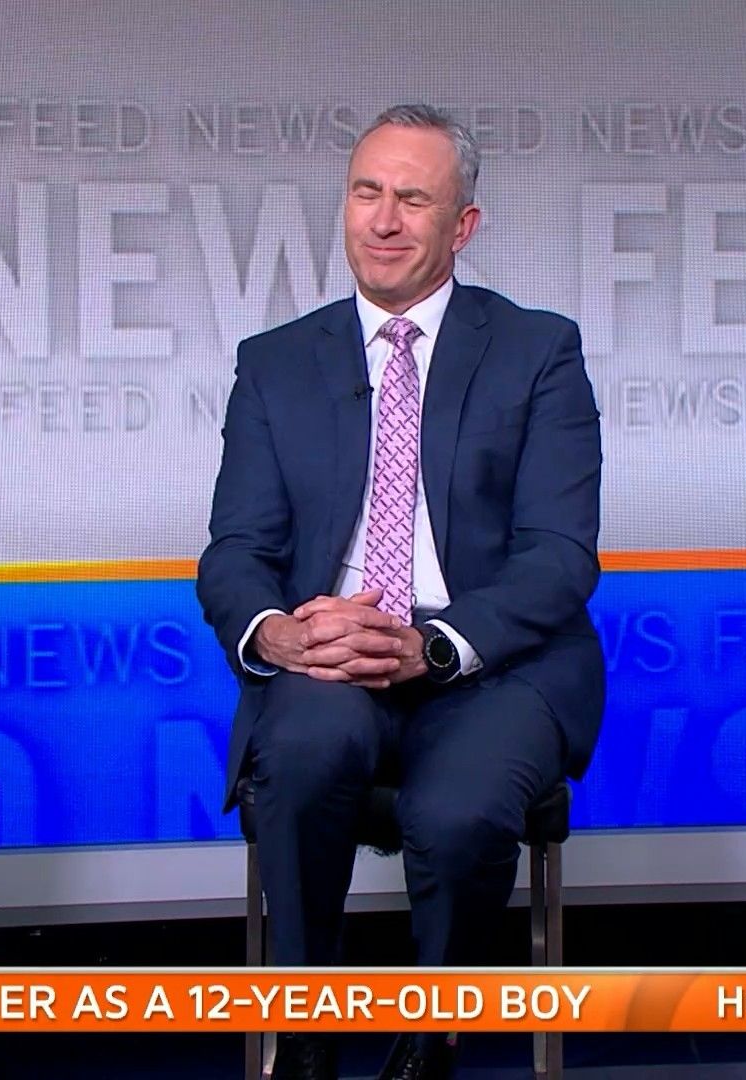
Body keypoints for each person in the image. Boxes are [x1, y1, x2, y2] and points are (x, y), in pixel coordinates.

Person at [197, 102, 603, 1080]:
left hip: (490, 661)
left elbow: (559, 555)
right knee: (300, 753)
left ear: (462, 225)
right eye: (366, 193)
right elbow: (235, 550)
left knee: (459, 814)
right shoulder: (275, 362)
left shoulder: (538, 350)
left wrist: (432, 644)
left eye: (412, 200)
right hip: (330, 651)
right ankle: (305, 1029)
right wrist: (279, 634)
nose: (382, 220)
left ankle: (432, 1040)